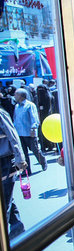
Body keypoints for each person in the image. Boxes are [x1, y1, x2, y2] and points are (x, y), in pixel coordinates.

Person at [0, 106, 27, 239]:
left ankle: (3, 238)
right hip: (3, 160)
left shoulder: (0, 113)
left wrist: (20, 158)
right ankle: (17, 225)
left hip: (5, 161)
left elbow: (13, 136)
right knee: (6, 197)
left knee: (4, 200)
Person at [13, 88, 47, 171]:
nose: (14, 96)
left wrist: (33, 128)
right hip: (19, 133)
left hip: (29, 133)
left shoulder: (30, 105)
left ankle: (43, 161)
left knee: (35, 150)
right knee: (24, 153)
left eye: (16, 94)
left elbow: (34, 118)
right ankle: (27, 170)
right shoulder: (17, 106)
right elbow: (15, 118)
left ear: (21, 96)